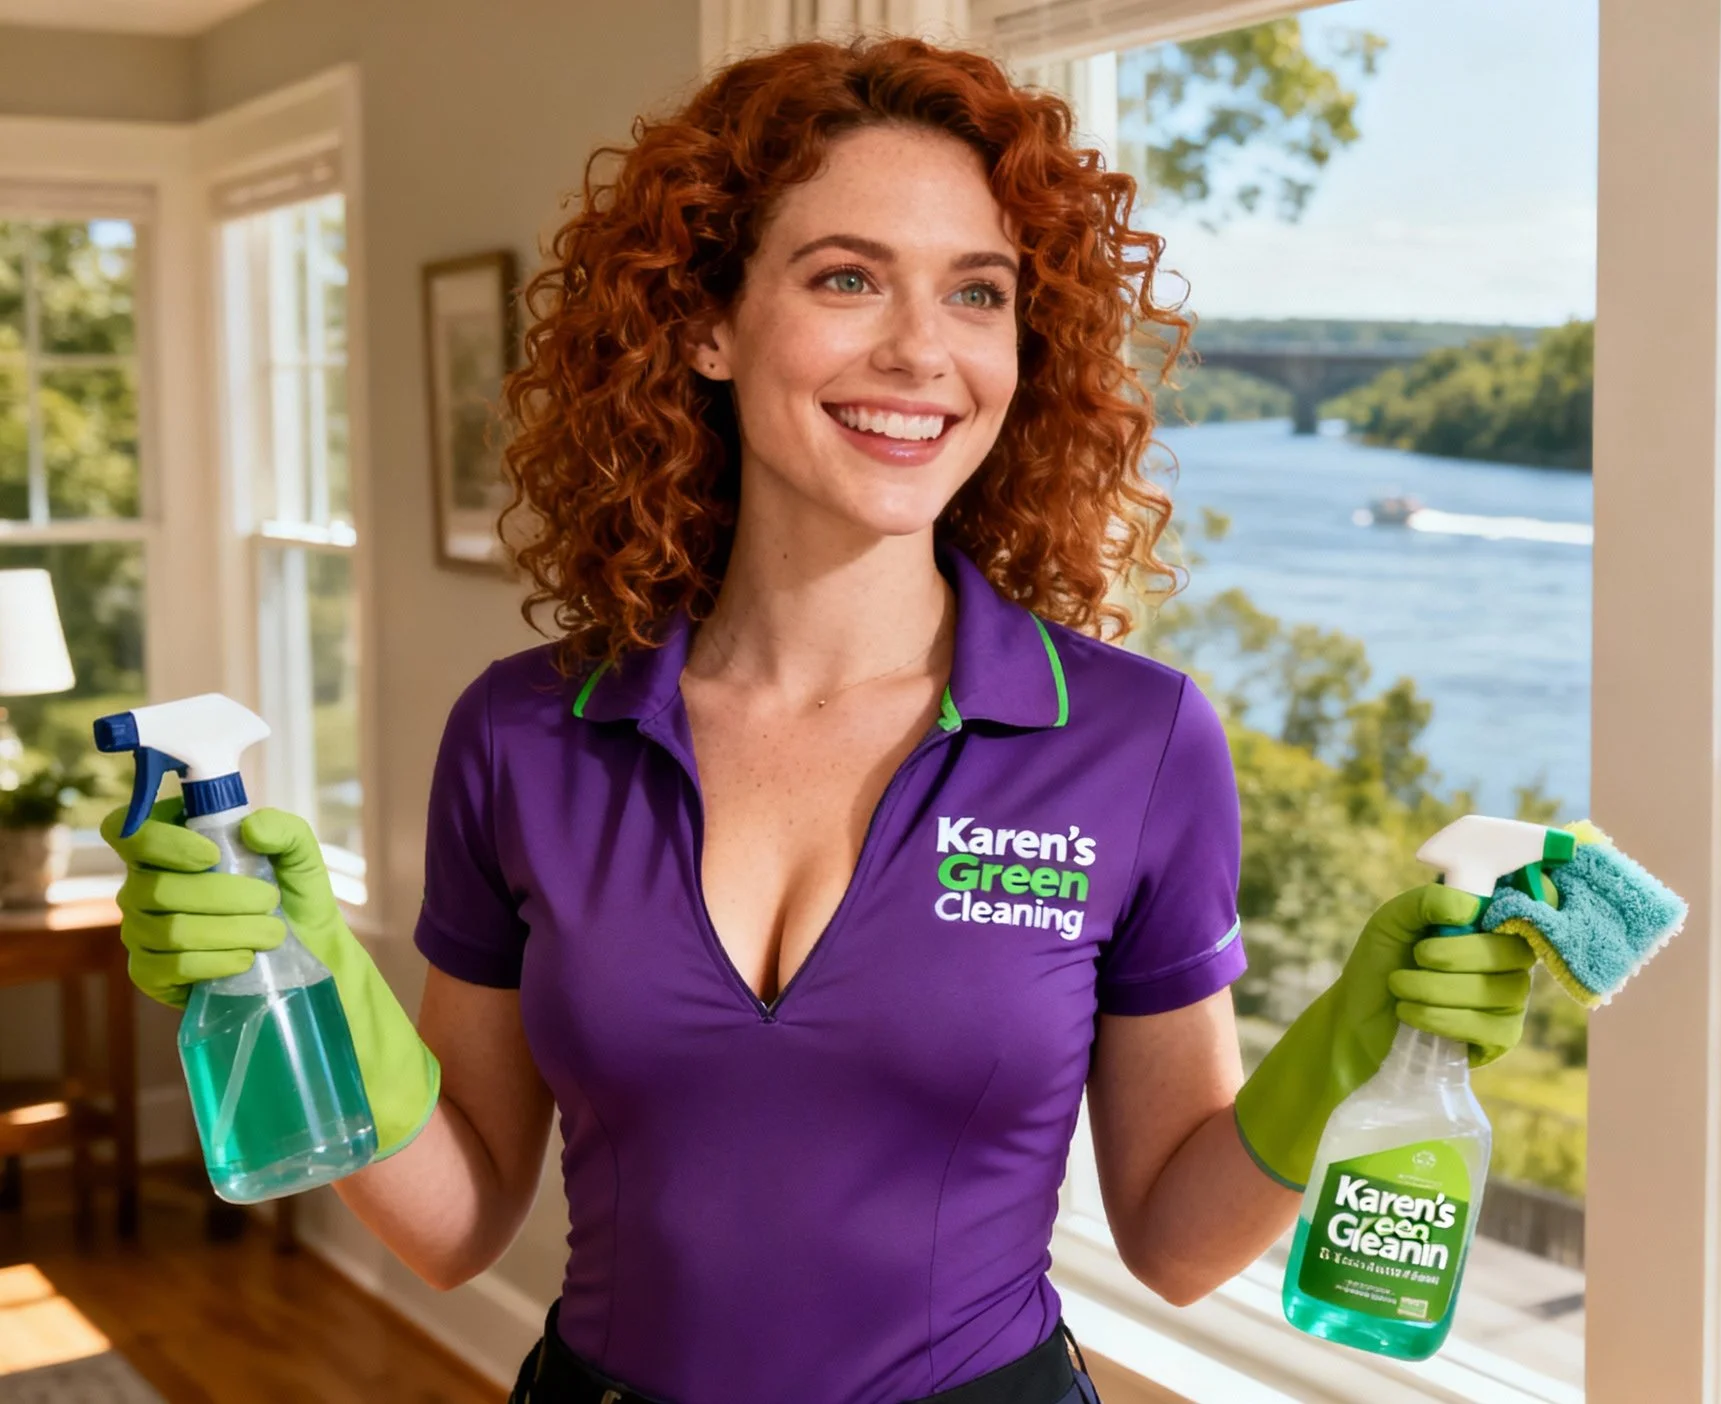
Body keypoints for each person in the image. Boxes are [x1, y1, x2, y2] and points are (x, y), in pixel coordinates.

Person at [99, 35, 1539, 1404]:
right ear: (708, 324)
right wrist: (300, 978)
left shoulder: (1135, 742)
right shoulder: (526, 737)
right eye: (849, 278)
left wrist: (1355, 1041)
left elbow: (1172, 1238)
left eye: (977, 293)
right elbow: (458, 1220)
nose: (923, 351)